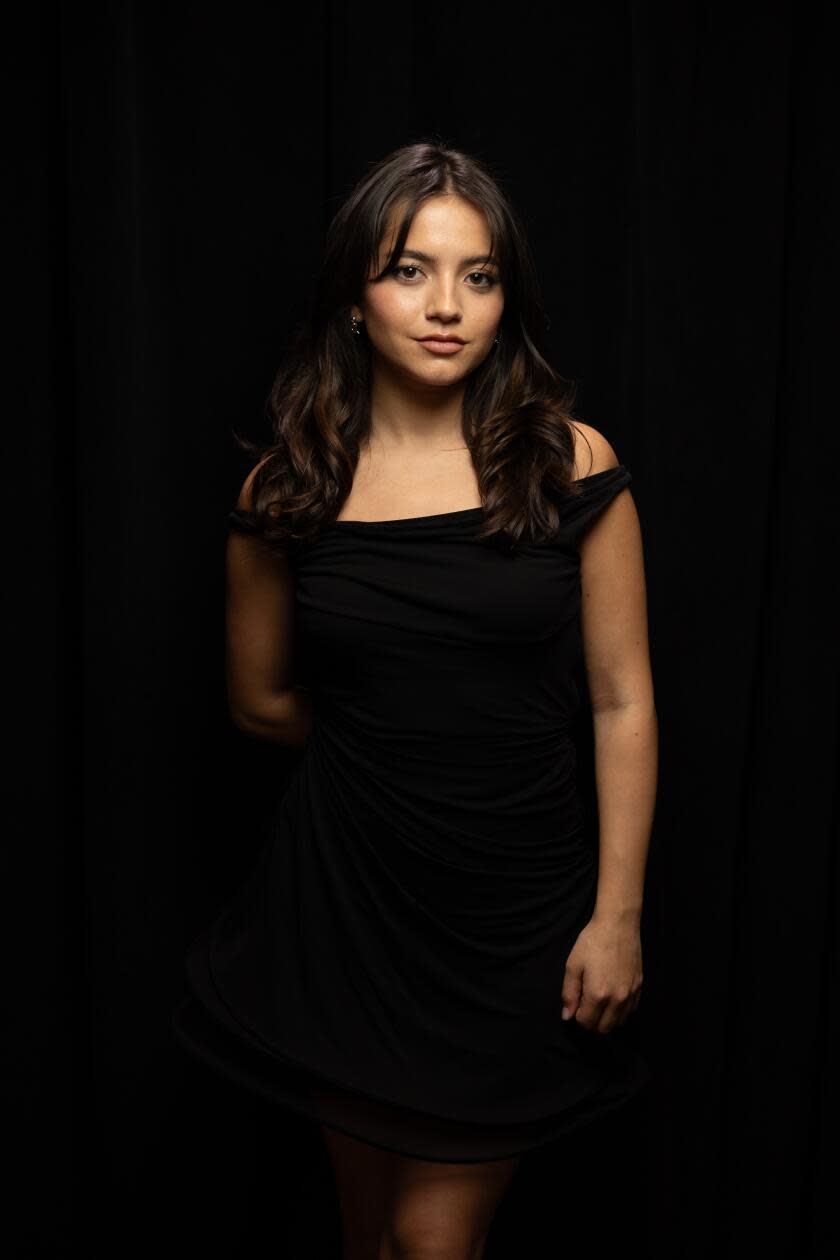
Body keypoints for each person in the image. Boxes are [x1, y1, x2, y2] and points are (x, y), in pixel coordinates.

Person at [172, 139, 658, 1260]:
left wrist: (618, 914)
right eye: (409, 270)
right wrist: (396, 745)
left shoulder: (567, 465)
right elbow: (257, 704)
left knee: (434, 1245)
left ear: (505, 299)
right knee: (368, 1239)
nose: (447, 306)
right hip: (349, 900)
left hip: (517, 907)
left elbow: (623, 697)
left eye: (478, 276)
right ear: (354, 297)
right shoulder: (290, 486)